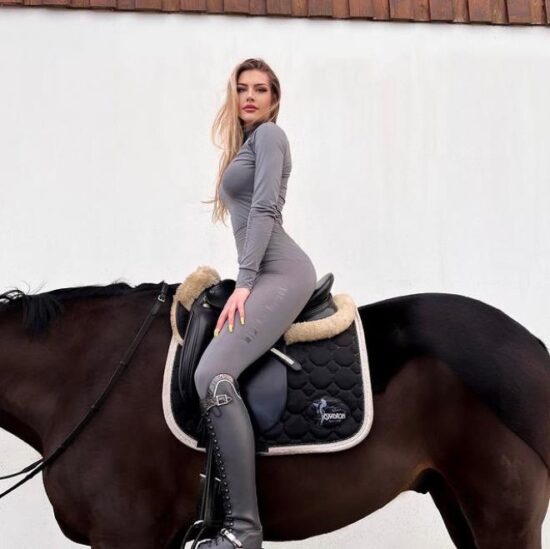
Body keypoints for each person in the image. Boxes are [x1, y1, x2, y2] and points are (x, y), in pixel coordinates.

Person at [194, 58, 318, 549]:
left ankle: (243, 529)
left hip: (281, 272)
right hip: (264, 271)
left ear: (274, 99)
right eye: (242, 88)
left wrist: (245, 283)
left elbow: (264, 209)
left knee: (211, 374)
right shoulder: (247, 143)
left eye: (260, 89)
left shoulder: (269, 136)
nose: (250, 96)